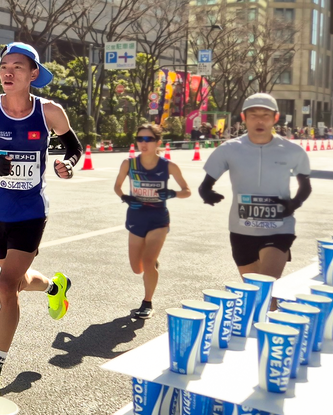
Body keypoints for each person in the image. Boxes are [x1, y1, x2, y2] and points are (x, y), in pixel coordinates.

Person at [0, 42, 83, 396]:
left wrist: (68, 165)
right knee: (17, 280)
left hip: (31, 212)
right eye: (3, 66)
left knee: (4, 285)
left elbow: (74, 148)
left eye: (17, 66)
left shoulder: (49, 112)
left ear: (33, 74)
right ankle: (55, 287)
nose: (7, 72)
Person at [198, 93, 311, 279]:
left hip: (279, 227)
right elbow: (205, 184)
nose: (260, 121)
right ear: (244, 118)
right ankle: (271, 309)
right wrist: (206, 193)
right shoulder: (228, 149)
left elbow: (305, 187)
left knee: (265, 284)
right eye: (253, 115)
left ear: (275, 117)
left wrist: (295, 203)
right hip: (241, 229)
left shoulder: (292, 151)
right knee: (254, 290)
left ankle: (270, 306)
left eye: (265, 115)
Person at [113, 123, 190, 319]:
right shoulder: (128, 164)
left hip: (158, 220)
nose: (143, 143)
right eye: (140, 139)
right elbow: (117, 187)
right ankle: (152, 261)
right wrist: (126, 197)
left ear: (158, 142)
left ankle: (147, 302)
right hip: (136, 218)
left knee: (147, 262)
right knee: (136, 267)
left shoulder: (169, 166)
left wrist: (172, 193)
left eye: (148, 139)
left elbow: (187, 191)